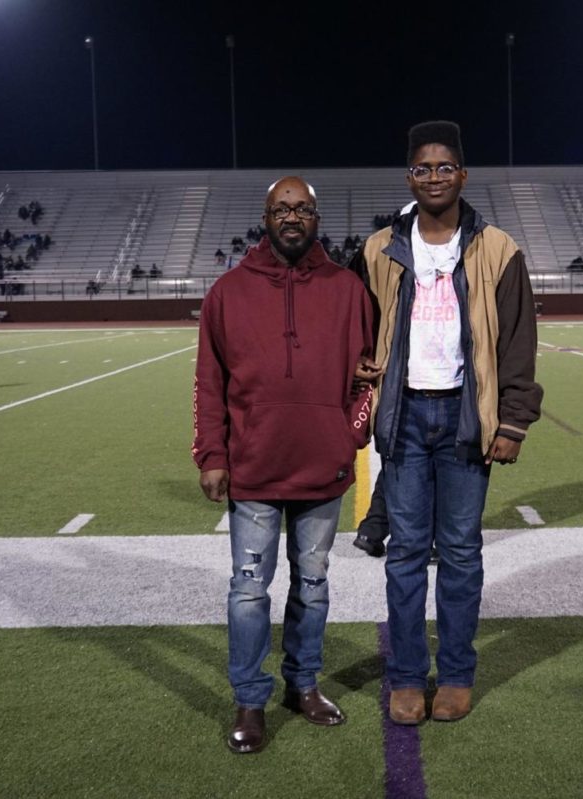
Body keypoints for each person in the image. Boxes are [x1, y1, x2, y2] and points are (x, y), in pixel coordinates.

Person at [348, 121, 542, 726]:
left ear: (463, 174)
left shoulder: (499, 249)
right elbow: (355, 326)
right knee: (405, 553)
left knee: (460, 551)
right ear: (410, 176)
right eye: (422, 168)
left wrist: (513, 421)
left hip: (465, 416)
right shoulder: (379, 249)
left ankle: (455, 672)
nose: (434, 177)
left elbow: (517, 341)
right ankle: (407, 675)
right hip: (403, 415)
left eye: (444, 167)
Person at [192, 176, 373, 754]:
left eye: (302, 208)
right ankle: (249, 698)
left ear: (316, 217)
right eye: (281, 208)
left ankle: (302, 684)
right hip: (254, 467)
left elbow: (367, 378)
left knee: (313, 585)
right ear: (266, 217)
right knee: (249, 590)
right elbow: (208, 382)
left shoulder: (348, 290)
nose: (292, 217)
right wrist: (212, 455)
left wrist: (348, 437)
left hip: (322, 467)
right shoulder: (227, 292)